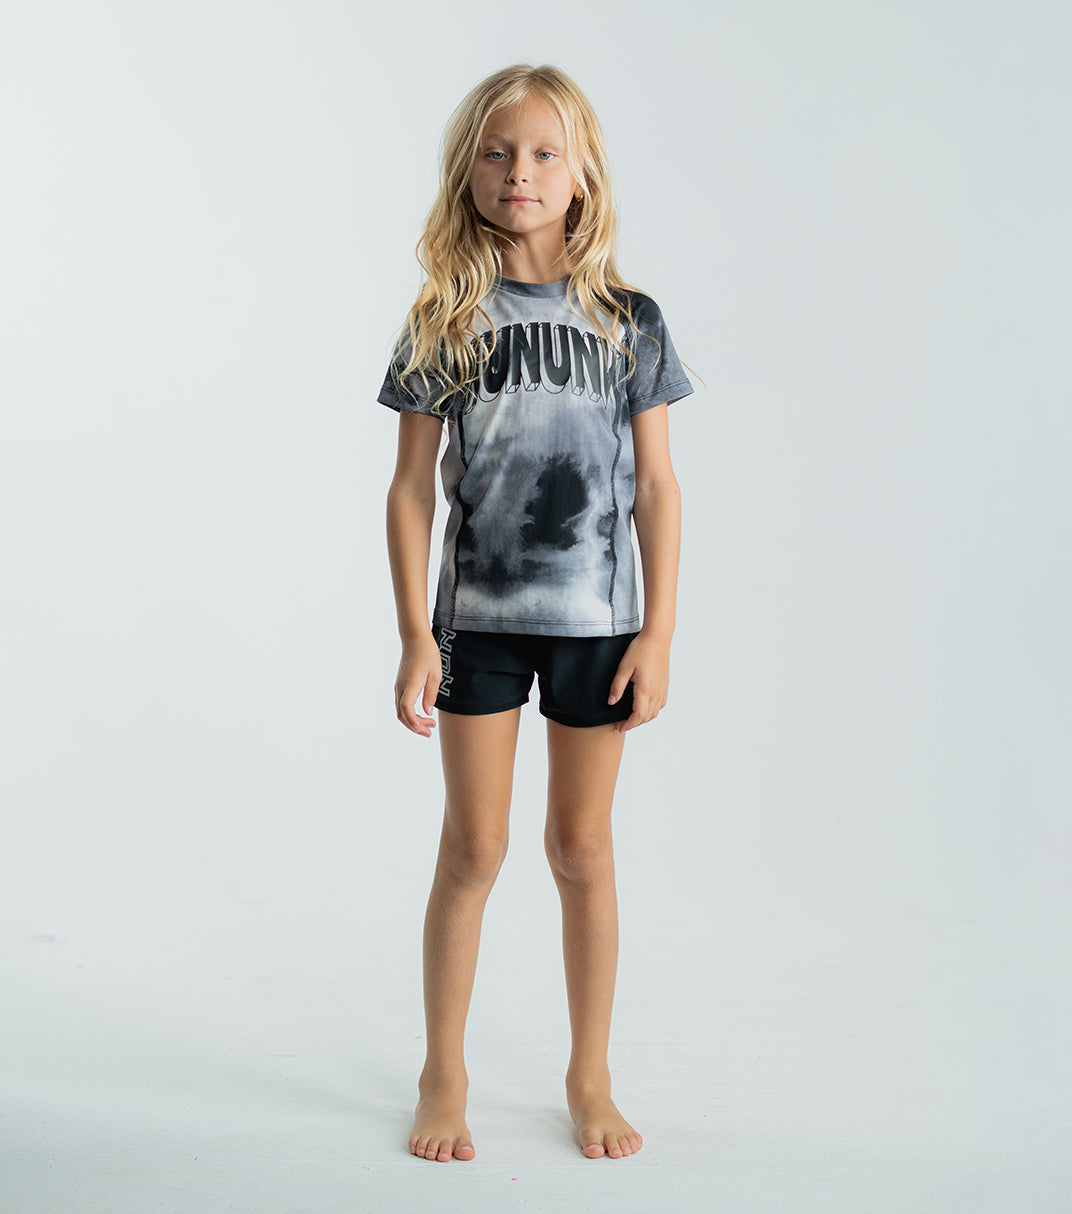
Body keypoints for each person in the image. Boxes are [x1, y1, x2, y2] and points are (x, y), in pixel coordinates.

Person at [378, 63, 693, 1164]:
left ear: (581, 174)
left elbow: (658, 487)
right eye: (498, 152)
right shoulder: (444, 318)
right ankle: (443, 1071)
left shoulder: (628, 320)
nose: (521, 171)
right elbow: (410, 489)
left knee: (581, 847)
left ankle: (588, 1074)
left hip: (597, 622)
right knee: (474, 846)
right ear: (466, 171)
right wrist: (414, 633)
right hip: (478, 619)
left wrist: (657, 631)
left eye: (545, 153)